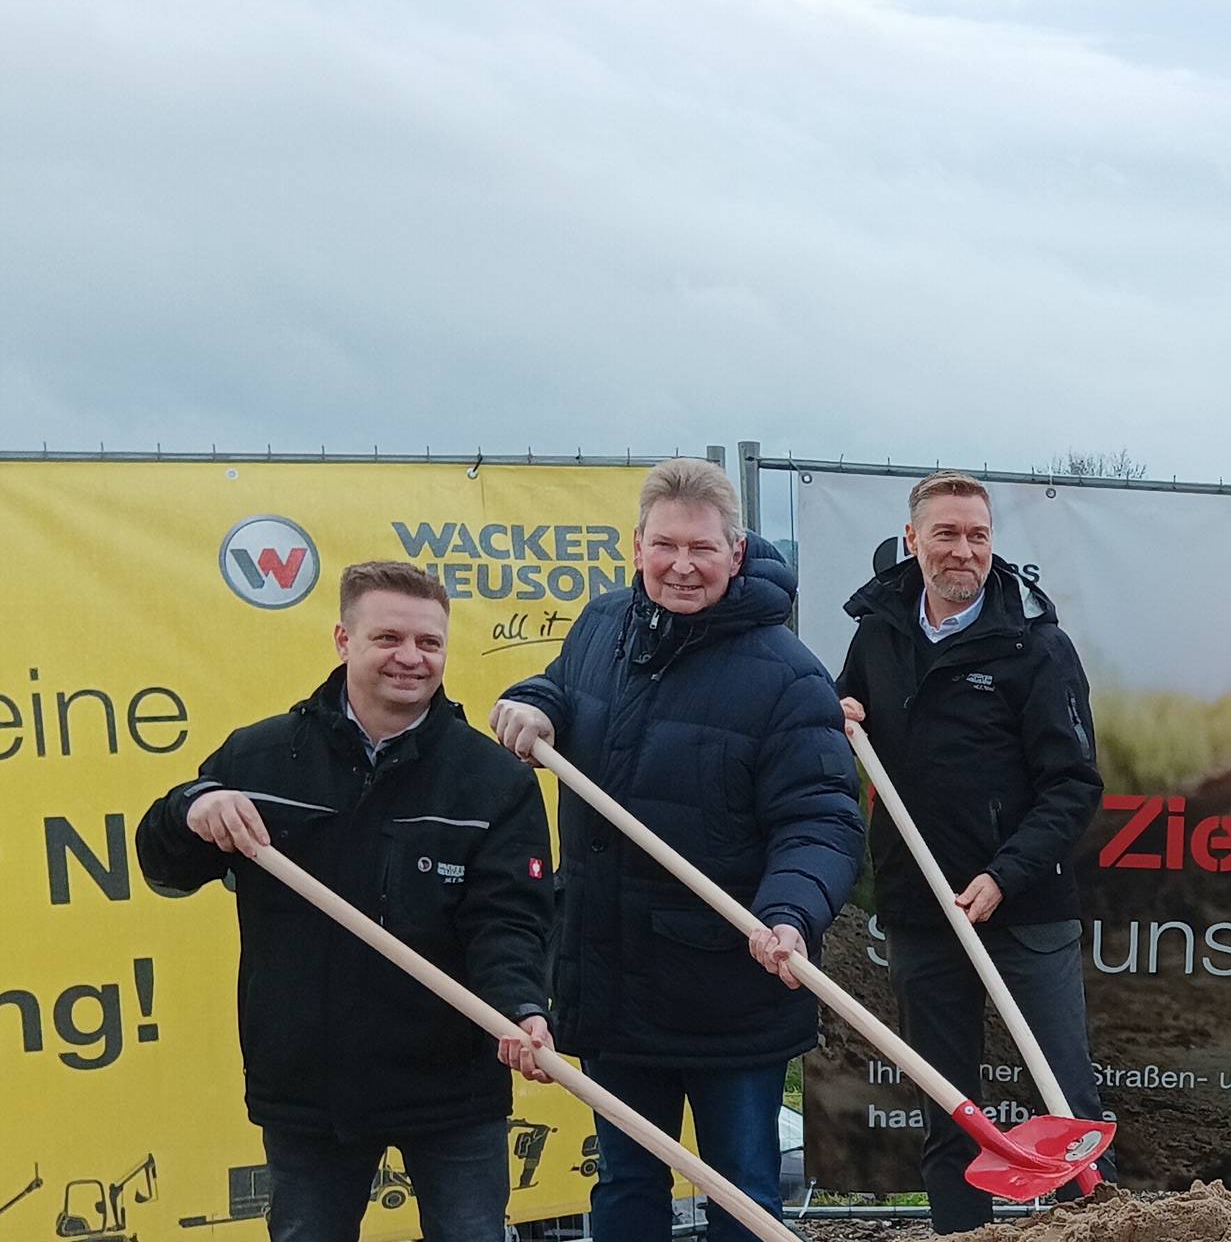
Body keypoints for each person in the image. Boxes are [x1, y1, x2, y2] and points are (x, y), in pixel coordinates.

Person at [489, 458, 861, 1242]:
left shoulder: (788, 677)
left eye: (701, 549)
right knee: (625, 1188)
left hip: (731, 985)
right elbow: (566, 686)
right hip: (615, 980)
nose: (681, 565)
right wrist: (535, 702)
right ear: (636, 545)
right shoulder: (600, 625)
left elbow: (821, 820)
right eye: (665, 546)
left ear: (735, 550)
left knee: (741, 1195)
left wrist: (791, 912)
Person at [137, 561, 555, 1242]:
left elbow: (509, 919)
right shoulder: (261, 758)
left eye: (429, 643)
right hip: (312, 1083)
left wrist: (521, 1010)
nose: (411, 659)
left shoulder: (492, 779)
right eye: (388, 638)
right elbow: (163, 866)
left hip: (452, 1082)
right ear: (343, 639)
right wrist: (192, 806)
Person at [834, 471, 1113, 1234]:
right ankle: (962, 1230)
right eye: (948, 534)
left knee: (1066, 1100)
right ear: (914, 538)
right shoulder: (879, 633)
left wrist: (1004, 874)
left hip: (1024, 907)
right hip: (922, 907)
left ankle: (1091, 1226)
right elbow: (849, 717)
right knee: (947, 1103)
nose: (964, 551)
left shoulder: (1036, 646)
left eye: (979, 536)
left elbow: (1073, 786)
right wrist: (840, 713)